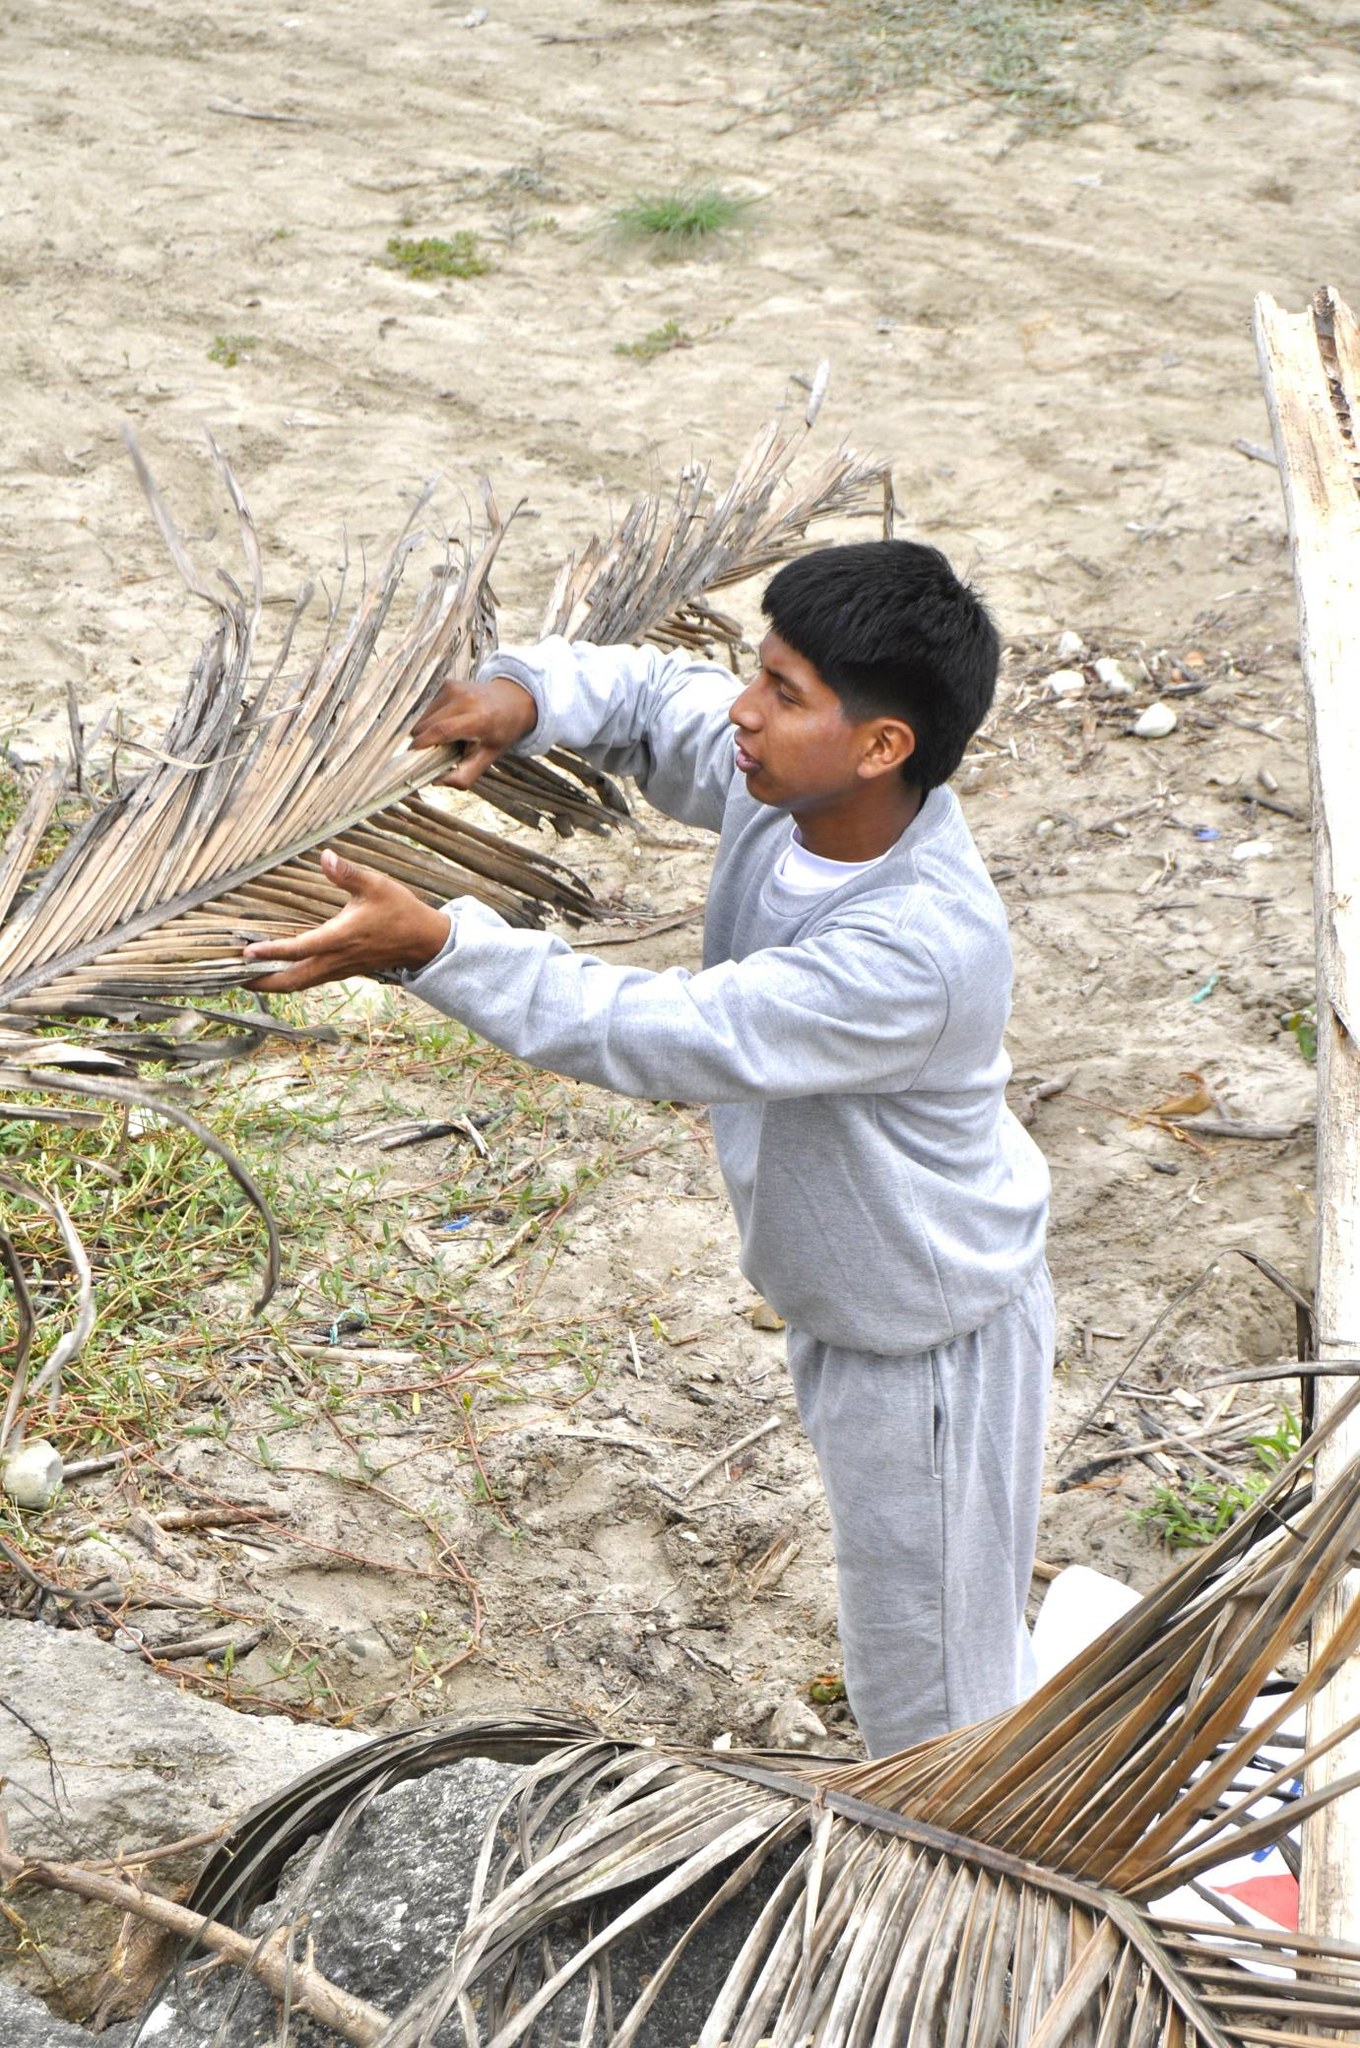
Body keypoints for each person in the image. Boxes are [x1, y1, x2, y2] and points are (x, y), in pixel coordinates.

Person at [244, 539, 1054, 1758]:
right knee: (946, 1619)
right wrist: (522, 695)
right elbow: (648, 695)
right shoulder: (796, 790)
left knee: (930, 1691)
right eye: (758, 673)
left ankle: (993, 1854)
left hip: (928, 1340)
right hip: (859, 1296)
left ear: (881, 744)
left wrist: (439, 946)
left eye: (784, 692)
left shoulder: (917, 950)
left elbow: (663, 1030)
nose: (744, 709)